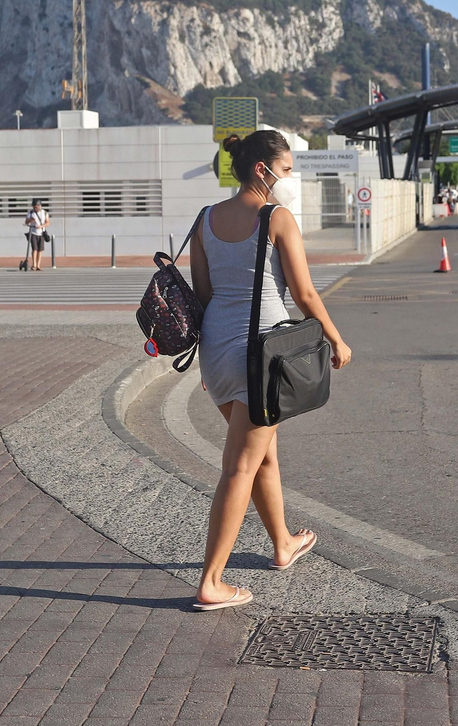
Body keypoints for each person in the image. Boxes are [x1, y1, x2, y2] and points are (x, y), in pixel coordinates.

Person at [188, 130, 352, 610]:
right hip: (261, 356)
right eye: (285, 170)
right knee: (240, 464)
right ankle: (212, 581)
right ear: (262, 170)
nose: (289, 178)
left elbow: (203, 296)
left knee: (262, 454)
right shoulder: (277, 218)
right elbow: (304, 296)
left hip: (217, 351)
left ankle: (282, 542)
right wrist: (336, 340)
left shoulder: (204, 219)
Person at [24, 198, 49, 271]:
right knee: (34, 249)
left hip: (41, 233)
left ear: (40, 205)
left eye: (37, 206)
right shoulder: (31, 213)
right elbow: (26, 222)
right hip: (33, 233)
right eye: (35, 206)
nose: (36, 207)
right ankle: (34, 264)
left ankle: (38, 265)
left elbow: (47, 223)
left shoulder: (45, 213)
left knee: (40, 250)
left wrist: (41, 226)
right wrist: (30, 220)